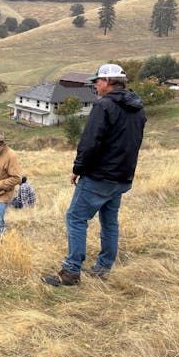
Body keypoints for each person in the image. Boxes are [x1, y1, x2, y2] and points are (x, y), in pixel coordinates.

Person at [43, 64, 146, 286]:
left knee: (75, 218)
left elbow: (89, 143)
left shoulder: (104, 106)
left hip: (99, 176)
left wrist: (77, 170)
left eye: (97, 81)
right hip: (122, 177)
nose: (94, 85)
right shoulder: (137, 107)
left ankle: (71, 271)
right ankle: (103, 268)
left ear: (108, 82)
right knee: (110, 222)